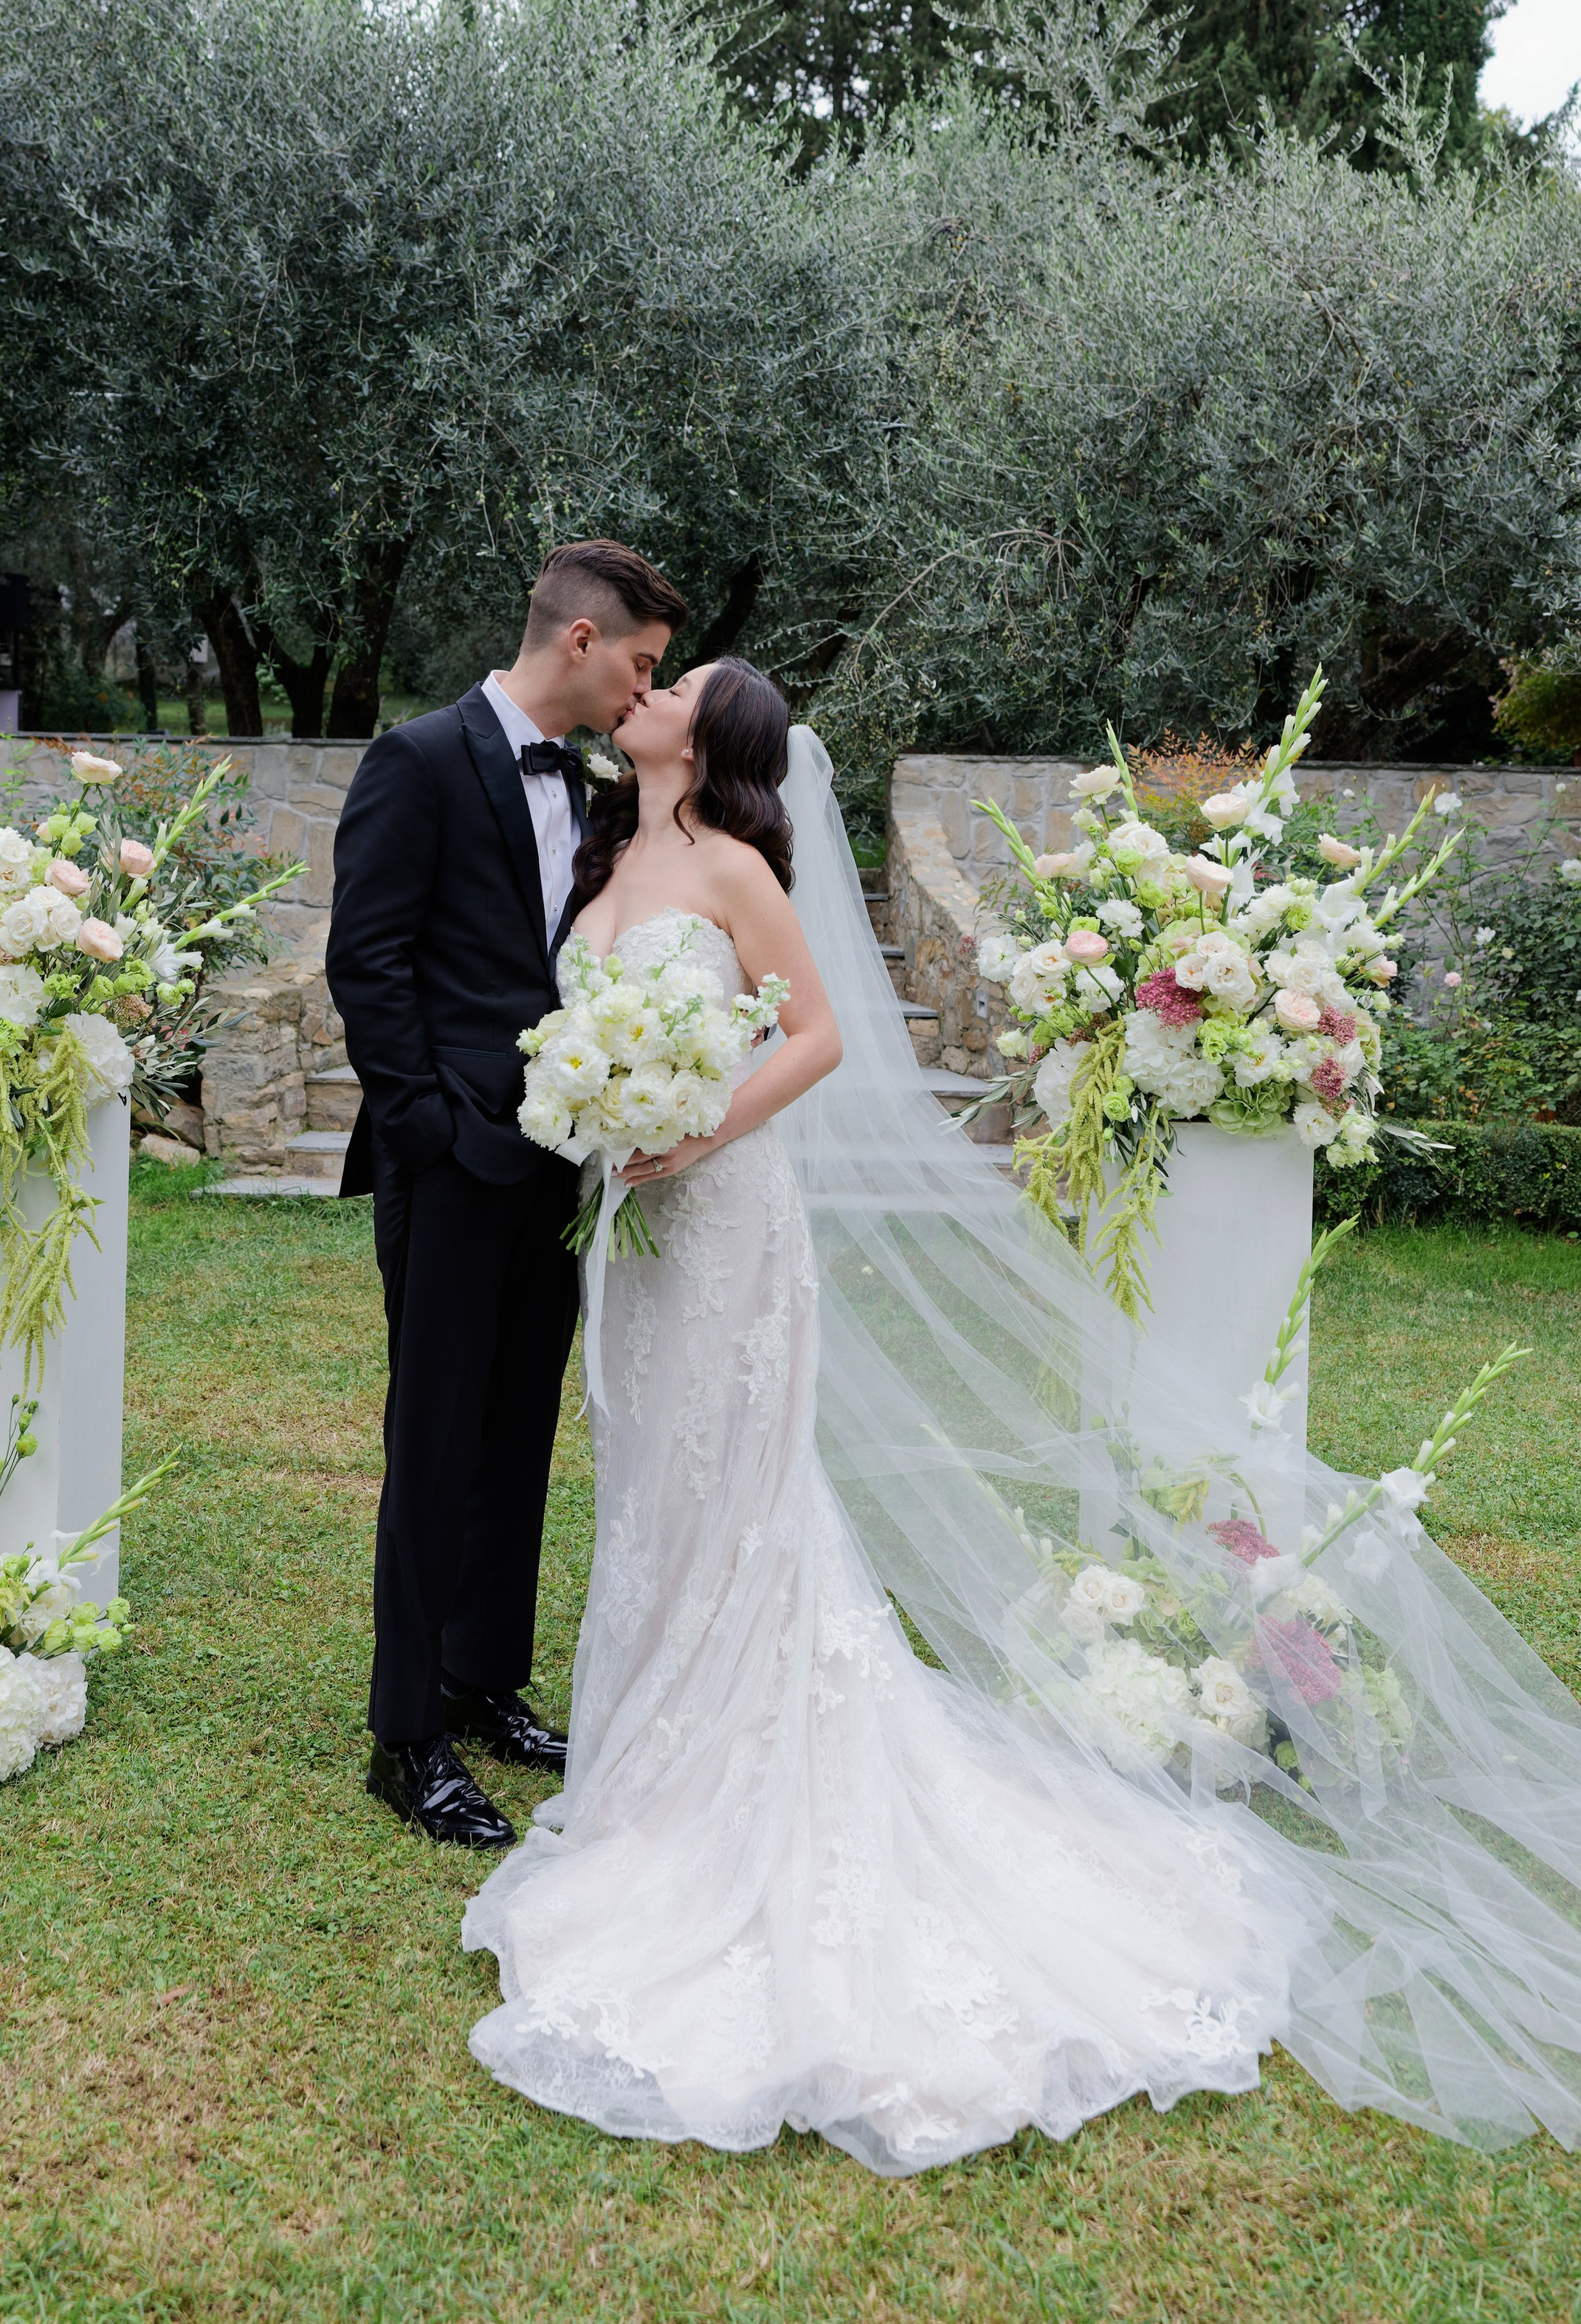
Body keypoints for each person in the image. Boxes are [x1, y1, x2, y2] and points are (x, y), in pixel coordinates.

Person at [461, 661, 1581, 2173]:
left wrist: (686, 1123)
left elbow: (814, 1044)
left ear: (712, 742)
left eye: (681, 686)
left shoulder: (732, 866)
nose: (648, 688)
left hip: (722, 1223)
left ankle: (723, 1768)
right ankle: (648, 1763)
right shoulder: (611, 852)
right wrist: (605, 1118)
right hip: (636, 1239)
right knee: (654, 1485)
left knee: (734, 1493)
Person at [327, 539, 687, 1848]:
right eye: (640, 665)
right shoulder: (417, 759)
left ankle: (483, 1680)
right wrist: (433, 1129)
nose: (645, 693)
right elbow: (366, 963)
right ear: (582, 641)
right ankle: (406, 1734)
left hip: (559, 1167)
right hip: (453, 1162)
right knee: (433, 1440)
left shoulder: (595, 785)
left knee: (519, 1425)